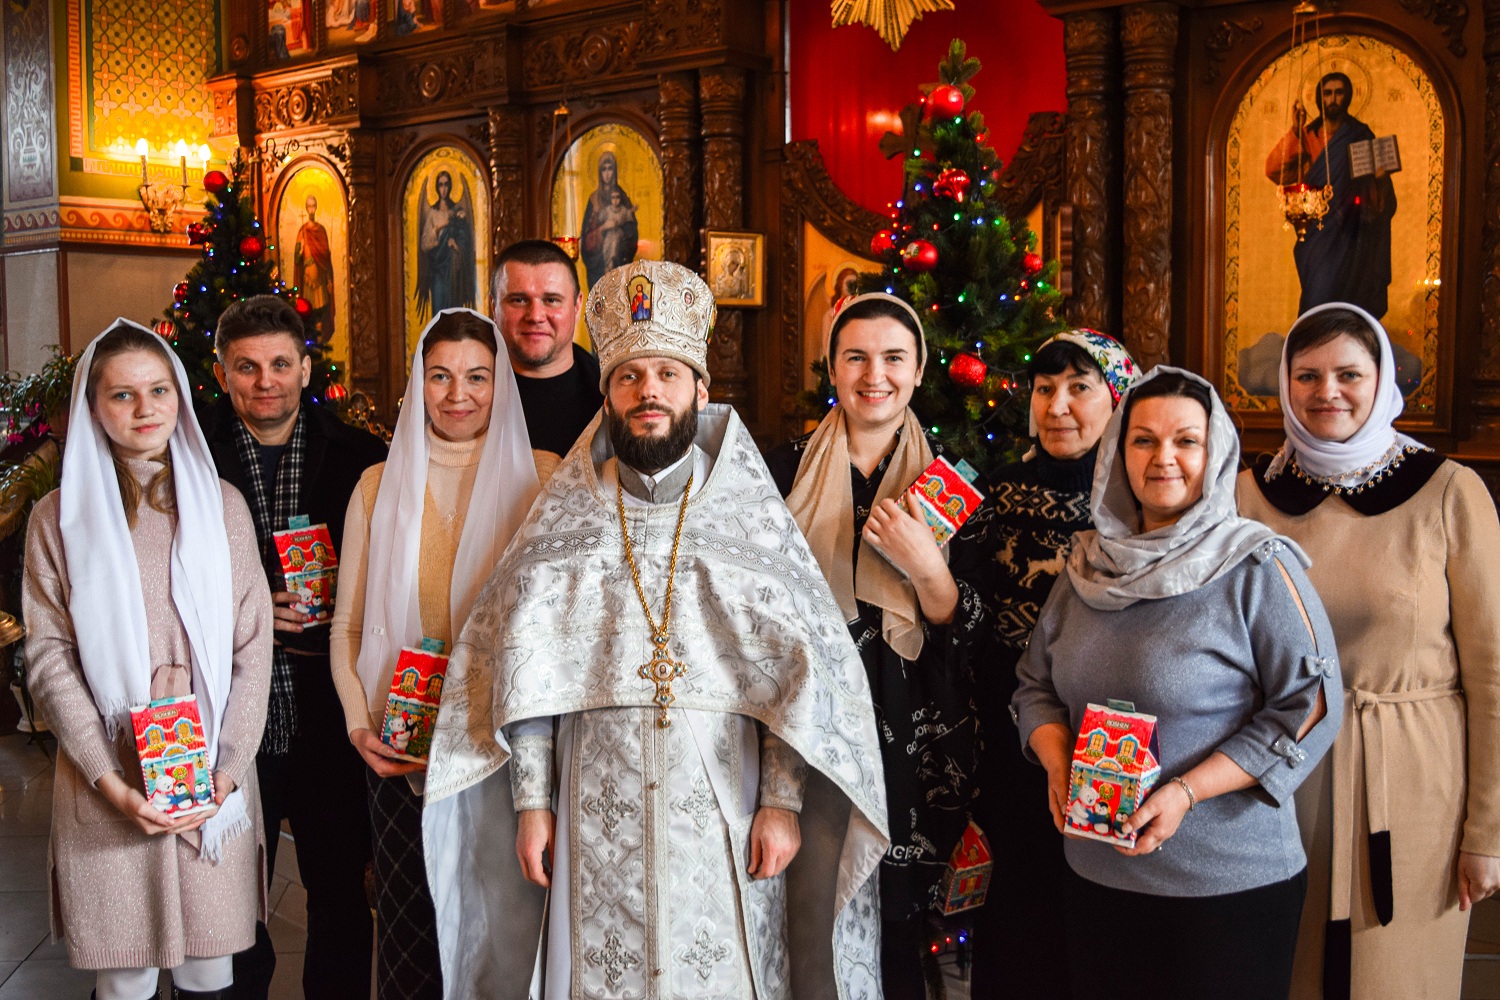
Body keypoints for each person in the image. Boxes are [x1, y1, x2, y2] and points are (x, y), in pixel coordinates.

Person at [422, 259, 889, 999]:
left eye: (668, 374)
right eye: (630, 376)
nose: (649, 392)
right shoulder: (563, 521)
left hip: (724, 798)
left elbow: (797, 677)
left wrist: (782, 803)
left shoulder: (751, 522)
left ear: (699, 390)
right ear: (606, 394)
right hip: (590, 802)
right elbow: (524, 674)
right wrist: (533, 805)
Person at [1013, 366, 1344, 999]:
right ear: (1118, 453)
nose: (1163, 458)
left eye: (1186, 441)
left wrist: (1187, 793)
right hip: (1096, 875)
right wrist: (1056, 762)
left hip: (1225, 885)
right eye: (1143, 440)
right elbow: (1035, 685)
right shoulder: (1086, 567)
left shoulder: (1256, 566)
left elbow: (1311, 704)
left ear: (1215, 454)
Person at [1236, 302, 1500, 999]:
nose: (1327, 392)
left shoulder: (1448, 492)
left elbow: (1494, 677)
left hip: (1411, 782)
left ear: (1382, 381)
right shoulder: (1246, 498)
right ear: (1284, 384)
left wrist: (1488, 832)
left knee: (1394, 979)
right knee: (1285, 973)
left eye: (1349, 374)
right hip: (1278, 779)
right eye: (1307, 375)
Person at [23, 320, 272, 1000]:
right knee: (126, 977)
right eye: (122, 395)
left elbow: (253, 649)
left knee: (209, 972)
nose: (145, 409)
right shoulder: (58, 519)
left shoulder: (222, 506)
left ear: (180, 396)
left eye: (159, 390)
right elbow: (49, 657)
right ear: (93, 407)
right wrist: (111, 784)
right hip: (108, 777)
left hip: (210, 779)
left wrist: (225, 773)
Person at [765, 292, 991, 1000]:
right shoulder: (778, 471)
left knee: (901, 933)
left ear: (919, 369)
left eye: (894, 358)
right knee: (810, 917)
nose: (875, 375)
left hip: (916, 730)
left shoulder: (955, 483)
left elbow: (974, 634)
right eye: (855, 357)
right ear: (831, 367)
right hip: (810, 726)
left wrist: (928, 569)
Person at [331, 308, 537, 1000]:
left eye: (477, 377)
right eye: (440, 376)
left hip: (499, 746)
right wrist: (359, 726)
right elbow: (349, 627)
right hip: (398, 746)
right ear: (417, 384)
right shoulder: (375, 485)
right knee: (411, 933)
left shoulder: (542, 478)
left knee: (499, 929)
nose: (458, 395)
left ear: (501, 384)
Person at [198, 294, 387, 1000]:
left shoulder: (363, 456)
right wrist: (244, 611)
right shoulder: (191, 457)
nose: (266, 381)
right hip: (228, 713)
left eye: (281, 364)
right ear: (222, 373)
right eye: (247, 367)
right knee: (231, 893)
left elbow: (390, 575)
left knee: (338, 893)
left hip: (327, 712)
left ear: (306, 369)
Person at [970, 329, 1137, 997]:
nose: (1058, 405)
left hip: (1109, 736)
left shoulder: (1141, 501)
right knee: (1017, 907)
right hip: (1010, 733)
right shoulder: (994, 491)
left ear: (1117, 398)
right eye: (1045, 389)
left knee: (1099, 909)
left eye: (1079, 388)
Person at [1265, 71, 1397, 319]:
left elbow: (1379, 198)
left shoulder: (1359, 135)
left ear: (1348, 97)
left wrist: (1381, 179)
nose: (1333, 99)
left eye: (1338, 93)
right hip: (1315, 232)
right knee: (1316, 295)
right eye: (1327, 93)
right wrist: (1295, 131)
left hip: (1349, 234)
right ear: (1319, 98)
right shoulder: (1307, 135)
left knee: (1345, 302)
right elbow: (1274, 170)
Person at [489, 239, 604, 474]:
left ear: (577, 306)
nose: (535, 316)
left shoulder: (609, 397)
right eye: (519, 300)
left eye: (551, 300)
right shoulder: (464, 397)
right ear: (494, 308)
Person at [416, 171, 476, 320]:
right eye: (440, 185)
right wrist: (439, 229)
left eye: (446, 185)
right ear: (437, 188)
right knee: (438, 312)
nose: (443, 189)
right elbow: (425, 244)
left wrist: (455, 244)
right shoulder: (433, 213)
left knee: (454, 314)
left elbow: (466, 242)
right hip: (438, 270)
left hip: (454, 270)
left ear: (450, 186)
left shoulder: (457, 211)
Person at [578, 150, 638, 288]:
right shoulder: (594, 199)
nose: (607, 174)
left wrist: (622, 236)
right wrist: (604, 227)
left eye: (610, 169)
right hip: (597, 266)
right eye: (603, 169)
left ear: (615, 171)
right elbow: (586, 235)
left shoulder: (622, 197)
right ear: (599, 172)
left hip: (620, 261)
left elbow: (632, 230)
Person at [293, 194, 335, 345]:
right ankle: (310, 341)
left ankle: (321, 340)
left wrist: (329, 279)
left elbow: (326, 261)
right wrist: (300, 249)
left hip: (320, 279)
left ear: (316, 208)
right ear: (306, 208)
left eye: (313, 206)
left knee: (321, 310)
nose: (311, 209)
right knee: (308, 311)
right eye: (309, 206)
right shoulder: (303, 231)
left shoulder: (321, 230)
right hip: (307, 279)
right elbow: (297, 259)